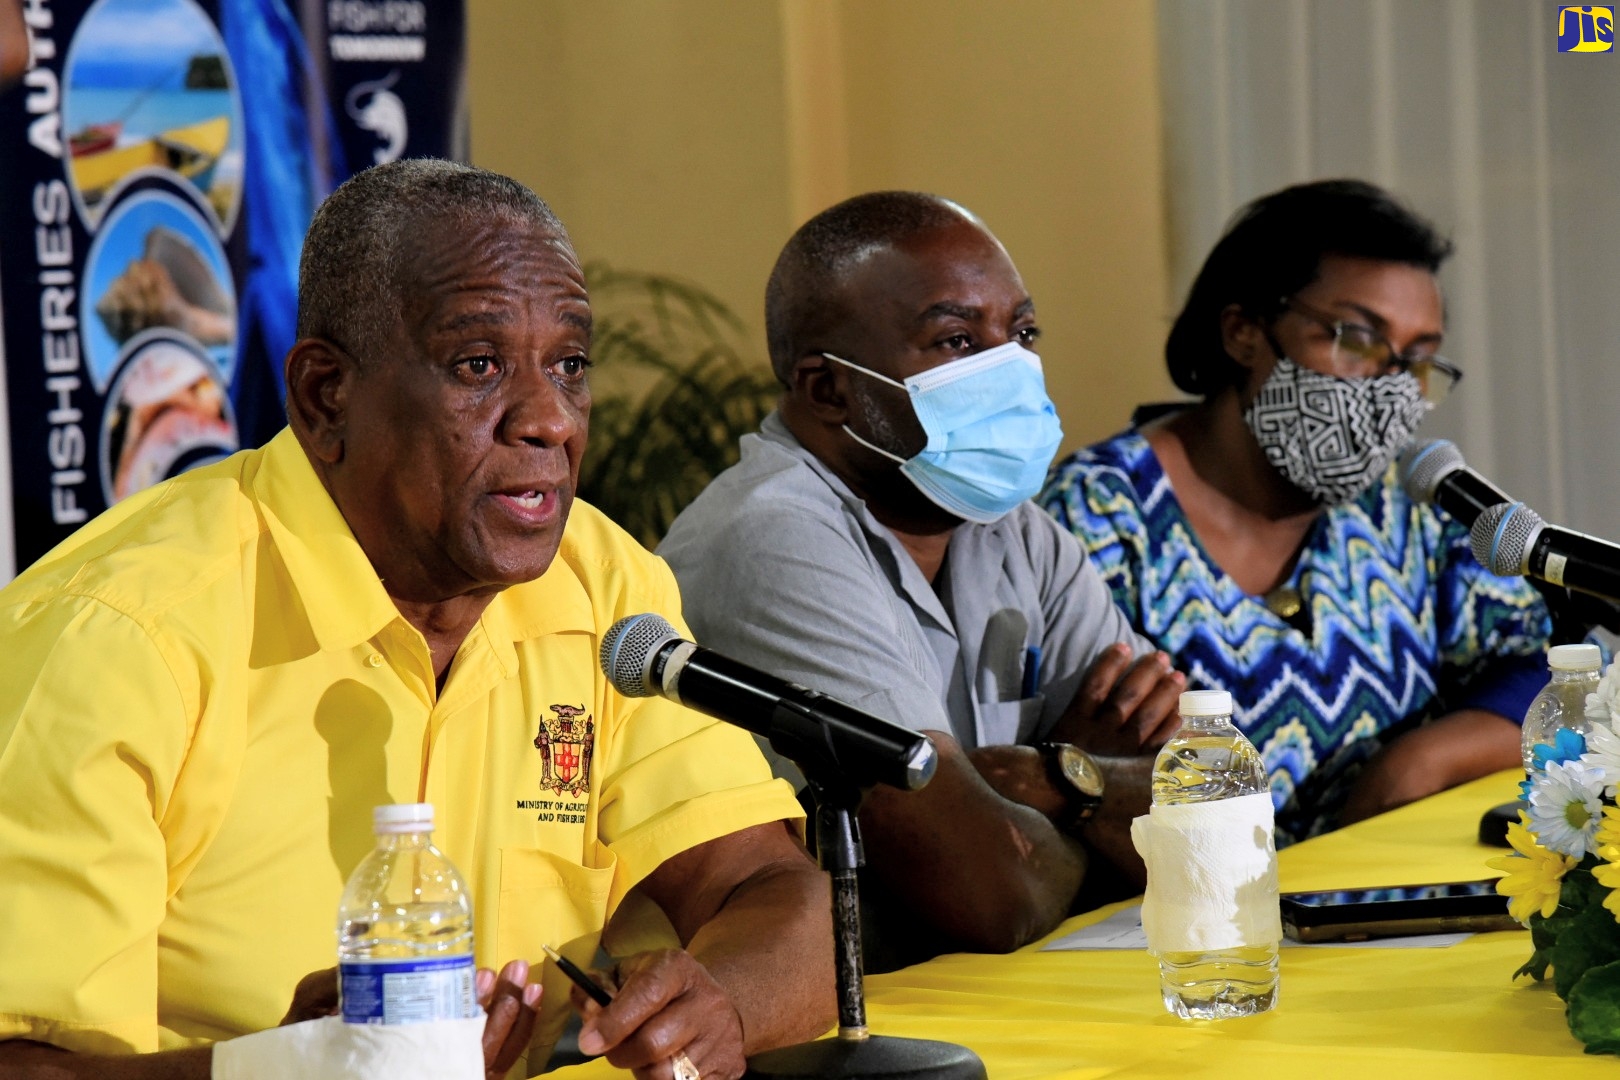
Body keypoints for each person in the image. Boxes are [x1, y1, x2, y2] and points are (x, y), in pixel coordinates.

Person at [0, 160, 834, 1080]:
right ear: (327, 397)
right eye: (479, 367)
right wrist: (285, 1069)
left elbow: (771, 892)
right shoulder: (119, 634)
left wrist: (716, 1008)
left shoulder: (601, 585)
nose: (550, 421)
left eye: (569, 366)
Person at [658, 192, 1183, 969]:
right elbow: (991, 895)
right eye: (957, 340)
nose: (1009, 368)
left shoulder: (1012, 527)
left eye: (1023, 334)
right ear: (829, 388)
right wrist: (1094, 795)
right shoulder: (771, 537)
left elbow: (1224, 819)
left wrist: (1061, 777)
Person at [1040, 179, 1552, 844]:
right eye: (1357, 338)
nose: (1389, 386)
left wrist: (1419, 761)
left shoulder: (1403, 508)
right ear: (1244, 331)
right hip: (1185, 929)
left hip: (1396, 922)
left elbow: (1550, 669)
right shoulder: (1101, 516)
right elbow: (1072, 765)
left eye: (1417, 360)